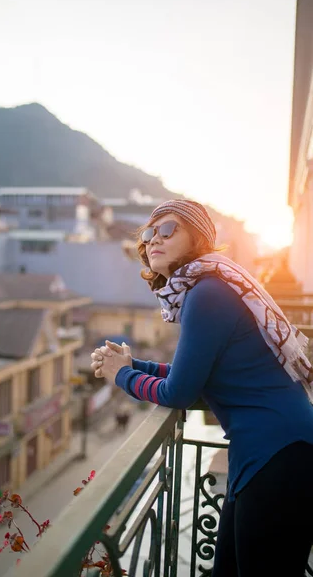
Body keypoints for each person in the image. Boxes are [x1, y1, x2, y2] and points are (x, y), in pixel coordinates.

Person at [90, 199, 313, 577]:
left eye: (167, 229)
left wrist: (121, 376)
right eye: (147, 234)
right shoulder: (211, 286)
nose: (152, 240)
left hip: (282, 456)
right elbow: (193, 373)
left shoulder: (207, 293)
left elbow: (177, 392)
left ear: (198, 238)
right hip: (263, 454)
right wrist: (132, 365)